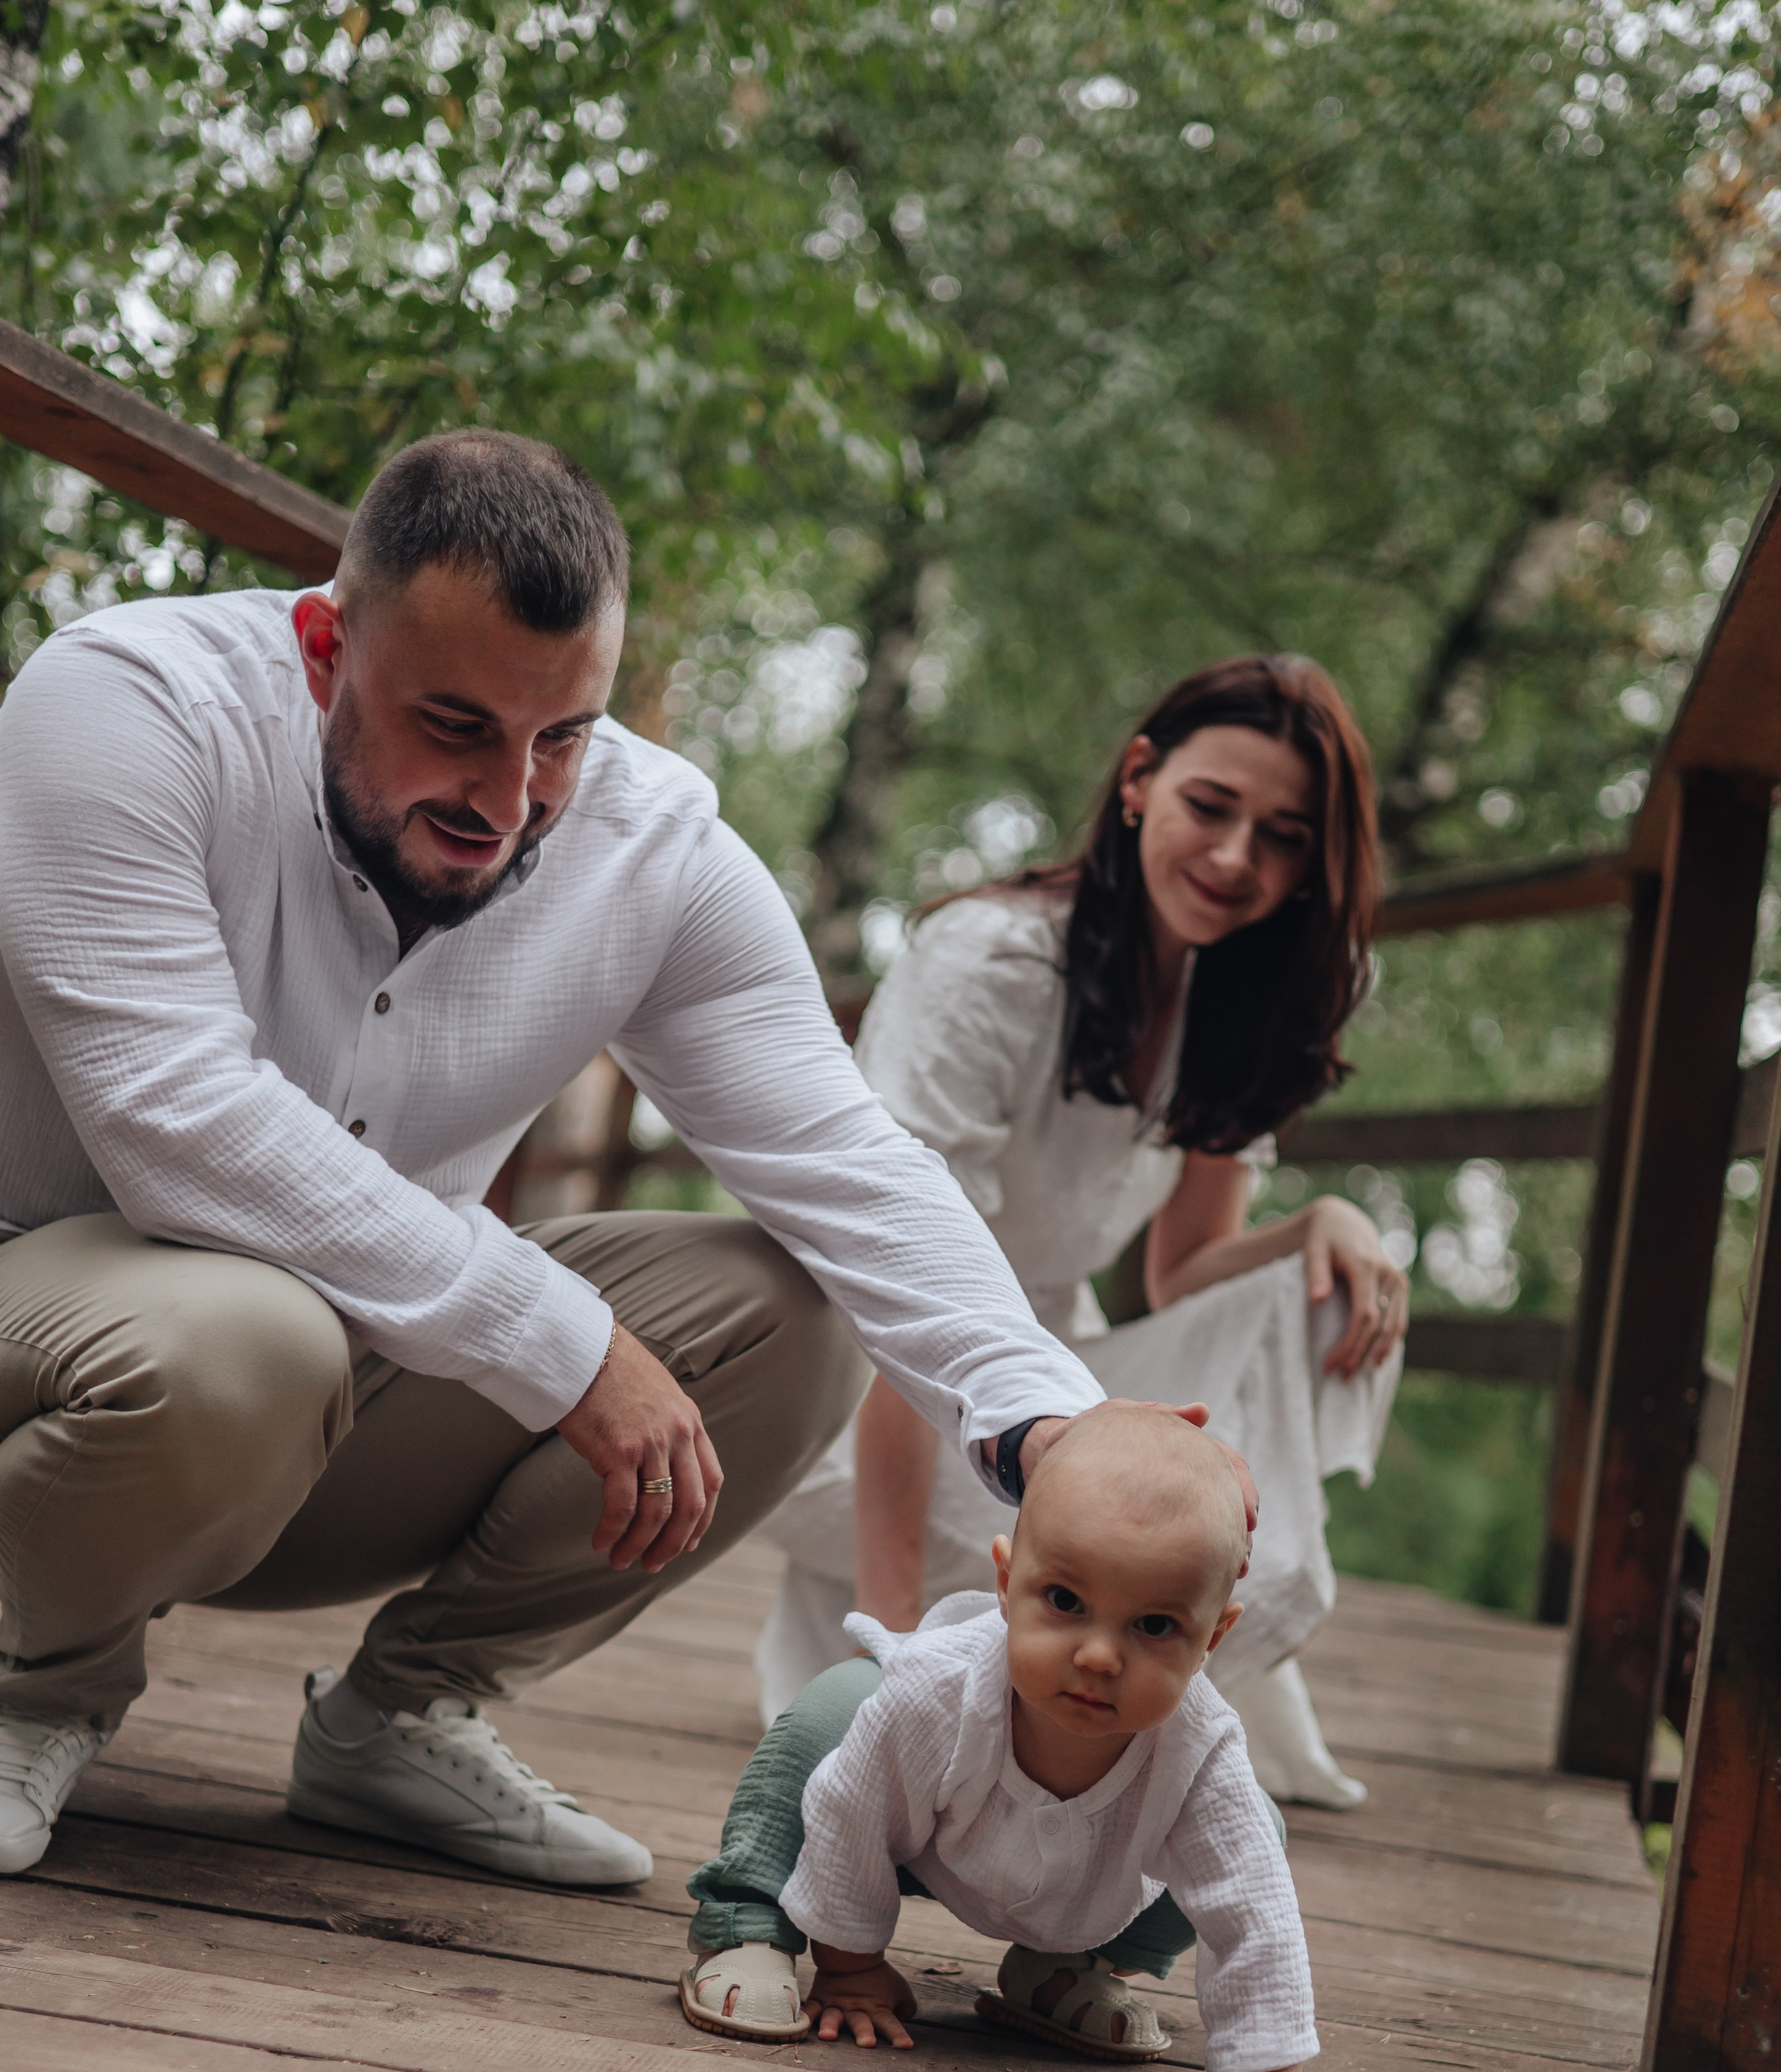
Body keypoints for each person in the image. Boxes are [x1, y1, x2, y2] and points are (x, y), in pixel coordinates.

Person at [0, 426, 1178, 1885]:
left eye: (560, 734)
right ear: (324, 646)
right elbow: (178, 1119)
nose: (508, 799)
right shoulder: (125, 704)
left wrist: (1047, 1422)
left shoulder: (653, 846)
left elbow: (841, 1153)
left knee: (789, 1315)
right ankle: (24, 1690)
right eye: (455, 724)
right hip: (48, 1354)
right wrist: (565, 1341)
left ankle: (398, 1724)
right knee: (247, 1330)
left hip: (304, 1410)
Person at [754, 655, 1409, 1810]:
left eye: (1283, 837)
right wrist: (893, 1650)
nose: (1234, 860)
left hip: (1051, 1406)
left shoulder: (1229, 995)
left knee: (1324, 1286)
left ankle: (1163, 1677)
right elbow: (900, 1292)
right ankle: (909, 1633)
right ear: (1141, 780)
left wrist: (1326, 1219)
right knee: (938, 1343)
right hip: (870, 1402)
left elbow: (1182, 1273)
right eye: (1212, 808)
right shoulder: (991, 965)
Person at [682, 1407, 1365, 2072]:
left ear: (1213, 1636)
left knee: (1254, 1836)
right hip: (912, 1836)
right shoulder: (935, 1693)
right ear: (1007, 1583)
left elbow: (1254, 1909)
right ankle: (746, 1918)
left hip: (1085, 1881)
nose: (1100, 1656)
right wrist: (850, 1966)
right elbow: (850, 1809)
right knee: (831, 1713)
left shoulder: (1199, 1749)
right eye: (1065, 1603)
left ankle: (1066, 1969)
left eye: (1153, 1625)